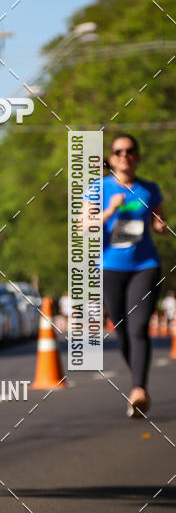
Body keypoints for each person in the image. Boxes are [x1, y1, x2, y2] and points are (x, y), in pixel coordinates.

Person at [100, 134, 168, 417]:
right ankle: (139, 383)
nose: (124, 156)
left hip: (145, 265)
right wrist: (110, 210)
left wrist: (161, 226)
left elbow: (158, 222)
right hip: (110, 267)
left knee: (139, 327)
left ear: (137, 157)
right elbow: (82, 227)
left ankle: (138, 389)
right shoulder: (98, 188)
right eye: (118, 151)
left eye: (130, 151)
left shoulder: (149, 189)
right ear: (111, 158)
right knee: (123, 330)